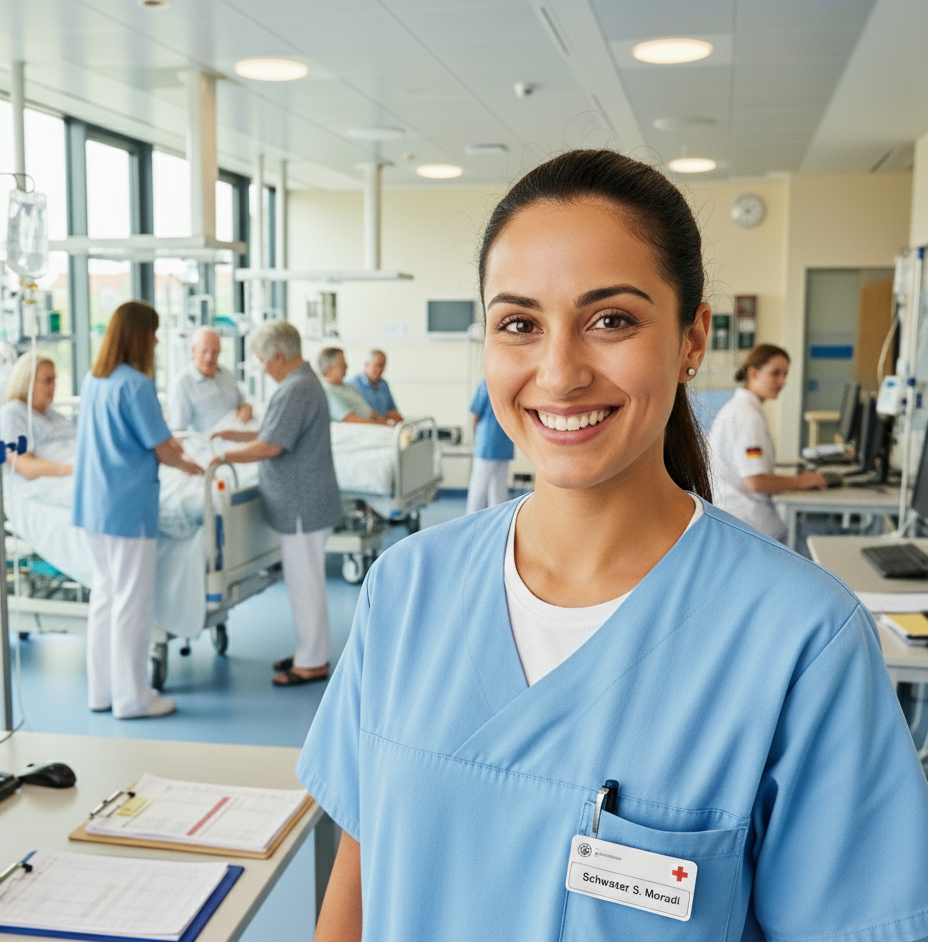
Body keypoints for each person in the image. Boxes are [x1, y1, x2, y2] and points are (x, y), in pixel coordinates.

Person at [296, 150, 928, 940]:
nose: (559, 373)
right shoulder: (407, 590)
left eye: (612, 320)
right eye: (519, 324)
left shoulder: (801, 640)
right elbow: (357, 881)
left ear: (692, 337)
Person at [73, 301, 203, 719]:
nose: (157, 340)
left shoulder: (95, 380)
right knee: (131, 602)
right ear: (138, 336)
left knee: (105, 598)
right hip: (128, 506)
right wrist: (191, 465)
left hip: (94, 505)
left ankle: (103, 692)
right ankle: (132, 698)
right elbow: (161, 447)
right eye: (153, 332)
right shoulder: (137, 385)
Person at [213, 322, 341, 686]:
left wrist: (225, 458)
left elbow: (271, 446)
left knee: (305, 584)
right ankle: (308, 650)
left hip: (302, 503)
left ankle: (313, 661)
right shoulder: (299, 383)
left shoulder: (296, 389)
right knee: (305, 582)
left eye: (262, 361)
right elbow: (271, 430)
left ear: (279, 356)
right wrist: (232, 436)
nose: (263, 368)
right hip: (305, 501)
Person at [708, 344, 827, 541]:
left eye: (785, 375)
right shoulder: (747, 416)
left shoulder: (743, 409)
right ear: (753, 373)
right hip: (748, 523)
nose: (782, 381)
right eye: (775, 373)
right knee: (822, 539)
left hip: (740, 519)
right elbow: (755, 482)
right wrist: (799, 481)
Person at [0, 351, 75, 480]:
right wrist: (73, 470)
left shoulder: (53, 414)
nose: (54, 385)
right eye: (47, 380)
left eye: (54, 379)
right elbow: (24, 465)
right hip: (56, 482)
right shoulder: (13, 413)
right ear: (27, 383)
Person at [167, 325, 253, 434]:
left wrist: (245, 407)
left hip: (241, 436)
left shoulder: (226, 374)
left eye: (215, 352)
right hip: (208, 446)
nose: (209, 358)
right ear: (193, 350)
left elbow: (242, 401)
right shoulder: (182, 384)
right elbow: (178, 430)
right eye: (204, 351)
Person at [465, 376, 514, 513]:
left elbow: (475, 415)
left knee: (479, 489)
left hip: (486, 446)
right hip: (504, 444)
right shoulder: (509, 384)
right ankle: (498, 523)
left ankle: (472, 522)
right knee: (499, 491)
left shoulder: (485, 385)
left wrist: (474, 440)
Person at [318, 347, 391, 424]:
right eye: (342, 363)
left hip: (375, 428)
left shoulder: (348, 387)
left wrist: (385, 424)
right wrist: (382, 426)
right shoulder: (326, 391)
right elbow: (351, 420)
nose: (346, 366)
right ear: (330, 368)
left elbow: (370, 412)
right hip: (360, 430)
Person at [348, 348, 402, 423]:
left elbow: (393, 411)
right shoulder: (352, 384)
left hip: (382, 426)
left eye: (383, 366)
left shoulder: (383, 384)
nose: (380, 370)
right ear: (367, 365)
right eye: (378, 365)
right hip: (362, 426)